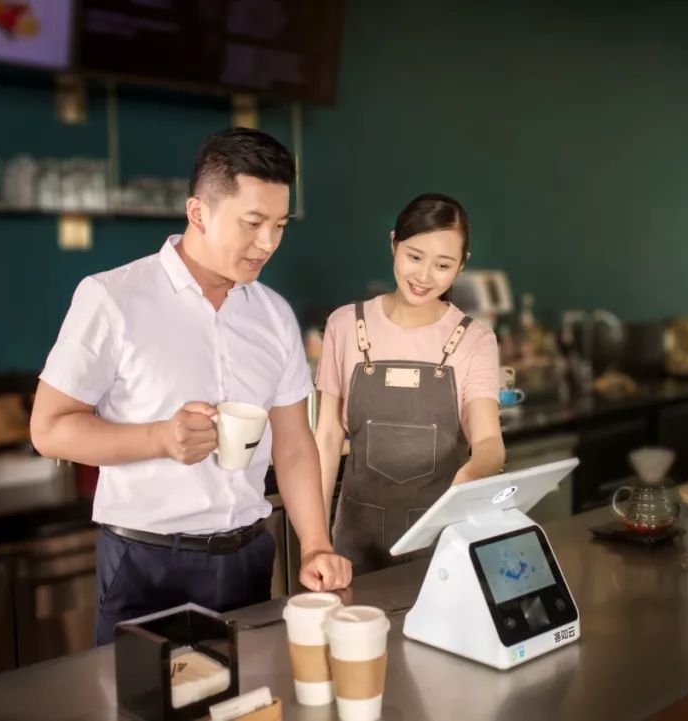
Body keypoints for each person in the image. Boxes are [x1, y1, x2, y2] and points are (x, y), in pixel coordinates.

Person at [30, 128, 351, 645]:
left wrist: (315, 544)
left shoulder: (273, 315)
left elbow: (293, 443)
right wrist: (158, 438)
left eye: (279, 225)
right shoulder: (112, 297)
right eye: (252, 223)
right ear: (198, 212)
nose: (267, 243)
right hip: (146, 563)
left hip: (250, 556)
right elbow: (48, 430)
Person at [313, 193, 506, 574]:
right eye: (414, 256)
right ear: (393, 243)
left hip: (440, 545)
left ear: (462, 265)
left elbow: (489, 443)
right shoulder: (345, 325)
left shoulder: (475, 340)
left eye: (443, 264)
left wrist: (471, 474)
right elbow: (328, 437)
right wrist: (315, 539)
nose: (423, 276)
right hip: (352, 543)